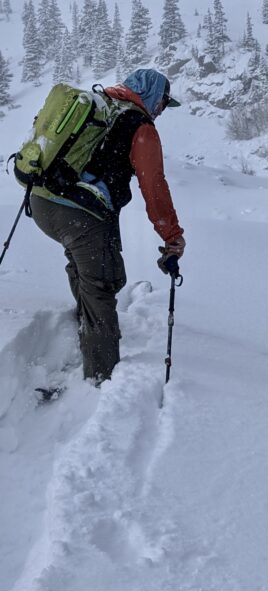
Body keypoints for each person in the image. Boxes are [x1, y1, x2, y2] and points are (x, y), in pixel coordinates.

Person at [29, 68, 186, 384]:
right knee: (101, 284)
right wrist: (172, 236)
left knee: (95, 270)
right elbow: (153, 187)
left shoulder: (97, 104)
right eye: (163, 102)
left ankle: (85, 328)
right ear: (152, 95)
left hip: (42, 202)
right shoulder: (140, 127)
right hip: (78, 213)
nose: (161, 110)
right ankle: (101, 380)